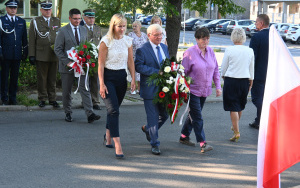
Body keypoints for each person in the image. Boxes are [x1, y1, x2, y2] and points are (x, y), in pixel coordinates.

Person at [98, 13, 135, 159]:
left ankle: (108, 135)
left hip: (121, 78)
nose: (122, 29)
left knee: (114, 109)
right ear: (113, 26)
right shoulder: (106, 41)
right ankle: (118, 145)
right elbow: (100, 64)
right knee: (113, 110)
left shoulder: (128, 41)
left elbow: (130, 61)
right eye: (119, 26)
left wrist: (133, 79)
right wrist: (101, 83)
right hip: (107, 77)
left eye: (124, 26)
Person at [178, 27, 221, 153]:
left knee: (194, 114)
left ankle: (184, 136)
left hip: (205, 90)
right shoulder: (190, 53)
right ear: (196, 39)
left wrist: (218, 87)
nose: (205, 41)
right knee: (198, 117)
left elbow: (216, 70)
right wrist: (182, 90)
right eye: (203, 39)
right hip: (192, 91)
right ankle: (203, 143)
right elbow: (183, 72)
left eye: (207, 39)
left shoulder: (211, 52)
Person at [54, 8, 101, 123]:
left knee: (85, 88)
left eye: (79, 19)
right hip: (67, 66)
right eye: (75, 19)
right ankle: (68, 113)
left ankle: (90, 113)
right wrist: (68, 62)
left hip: (81, 65)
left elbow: (85, 46)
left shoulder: (83, 30)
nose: (77, 21)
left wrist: (87, 58)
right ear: (69, 18)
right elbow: (57, 49)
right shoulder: (63, 31)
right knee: (67, 91)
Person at [135, 24, 170, 155]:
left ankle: (148, 129)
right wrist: (157, 72)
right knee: (153, 117)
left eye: (161, 34)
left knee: (165, 114)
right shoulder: (142, 50)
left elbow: (167, 64)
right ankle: (155, 144)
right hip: (150, 89)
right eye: (156, 35)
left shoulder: (164, 47)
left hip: (164, 89)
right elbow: (139, 67)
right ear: (149, 35)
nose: (159, 37)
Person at [221, 28, 254, 142]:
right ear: (244, 37)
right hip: (244, 80)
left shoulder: (229, 50)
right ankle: (236, 126)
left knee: (232, 107)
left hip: (231, 80)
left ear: (233, 37)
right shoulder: (250, 50)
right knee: (240, 105)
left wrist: (223, 76)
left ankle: (237, 131)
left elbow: (224, 66)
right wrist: (251, 80)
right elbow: (251, 67)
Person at [28, 0, 60, 108]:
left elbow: (59, 38)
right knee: (42, 79)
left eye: (49, 9)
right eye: (45, 9)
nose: (47, 11)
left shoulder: (56, 21)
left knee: (52, 78)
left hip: (54, 55)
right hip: (41, 54)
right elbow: (32, 39)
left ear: (52, 9)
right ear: (41, 10)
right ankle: (42, 98)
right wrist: (31, 55)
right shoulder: (36, 21)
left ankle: (52, 99)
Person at [0, 0, 28, 105]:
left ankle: (13, 97)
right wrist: (0, 51)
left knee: (14, 78)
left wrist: (25, 51)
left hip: (16, 54)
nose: (13, 10)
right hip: (5, 55)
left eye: (15, 8)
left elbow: (24, 38)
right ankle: (4, 97)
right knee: (4, 77)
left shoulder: (21, 21)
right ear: (7, 8)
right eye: (11, 8)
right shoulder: (1, 21)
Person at [249, 14, 270, 129]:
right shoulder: (274, 37)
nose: (255, 24)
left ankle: (266, 117)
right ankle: (258, 121)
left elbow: (252, 58)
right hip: (270, 73)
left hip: (258, 74)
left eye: (256, 22)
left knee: (257, 98)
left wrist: (249, 75)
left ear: (261, 23)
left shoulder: (256, 37)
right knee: (264, 97)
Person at [81, 9, 102, 110]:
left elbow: (101, 43)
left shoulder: (98, 29)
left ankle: (95, 101)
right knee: (85, 81)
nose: (91, 19)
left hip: (96, 59)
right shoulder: (81, 28)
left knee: (95, 81)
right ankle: (85, 101)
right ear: (84, 18)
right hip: (85, 59)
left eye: (93, 17)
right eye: (89, 18)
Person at [127, 20, 148, 94]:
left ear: (140, 26)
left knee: (141, 72)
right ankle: (133, 88)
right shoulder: (130, 35)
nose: (134, 27)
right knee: (133, 72)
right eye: (133, 26)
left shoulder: (144, 35)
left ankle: (140, 89)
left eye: (135, 26)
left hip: (143, 56)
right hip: (133, 56)